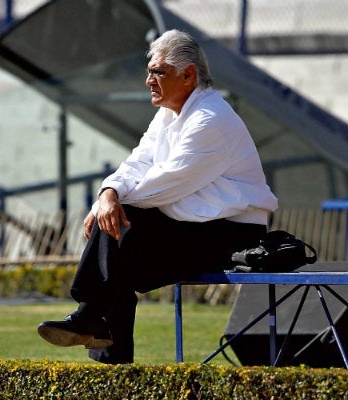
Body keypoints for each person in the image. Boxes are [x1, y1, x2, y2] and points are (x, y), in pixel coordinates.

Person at [37, 29, 278, 365]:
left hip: (232, 234)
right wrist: (107, 195)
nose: (149, 80)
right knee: (118, 245)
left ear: (188, 74)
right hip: (194, 225)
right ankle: (98, 333)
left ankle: (95, 328)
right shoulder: (167, 114)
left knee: (122, 228)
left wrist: (110, 202)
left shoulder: (212, 119)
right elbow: (137, 163)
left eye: (158, 72)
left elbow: (168, 183)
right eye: (149, 71)